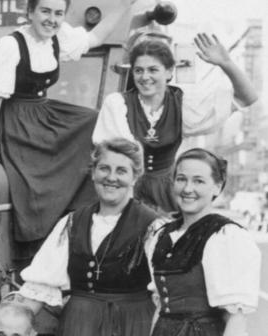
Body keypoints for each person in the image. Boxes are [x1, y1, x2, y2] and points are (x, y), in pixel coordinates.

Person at [0, 0, 132, 253]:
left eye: (58, 13)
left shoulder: (59, 37)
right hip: (14, 123)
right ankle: (36, 240)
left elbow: (96, 37)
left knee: (94, 122)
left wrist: (124, 5)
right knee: (31, 184)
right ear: (30, 12)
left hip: (41, 114)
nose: (52, 20)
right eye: (45, 11)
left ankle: (78, 217)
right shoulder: (9, 45)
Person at [16, 138, 158, 336]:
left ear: (135, 177)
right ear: (93, 173)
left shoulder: (153, 226)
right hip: (79, 331)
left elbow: (167, 293)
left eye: (121, 171)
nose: (111, 177)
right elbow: (37, 290)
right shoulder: (71, 223)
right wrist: (5, 327)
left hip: (133, 331)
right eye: (104, 168)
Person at [93, 34, 258, 215]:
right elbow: (119, 154)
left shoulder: (183, 104)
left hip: (167, 193)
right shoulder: (117, 104)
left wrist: (225, 62)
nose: (145, 77)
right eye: (138, 70)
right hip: (123, 187)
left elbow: (247, 98)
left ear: (169, 72)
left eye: (153, 70)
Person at [142, 148, 261, 336]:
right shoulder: (162, 235)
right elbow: (160, 306)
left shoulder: (225, 237)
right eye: (181, 179)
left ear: (217, 186)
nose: (188, 188)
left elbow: (235, 318)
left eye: (198, 181)